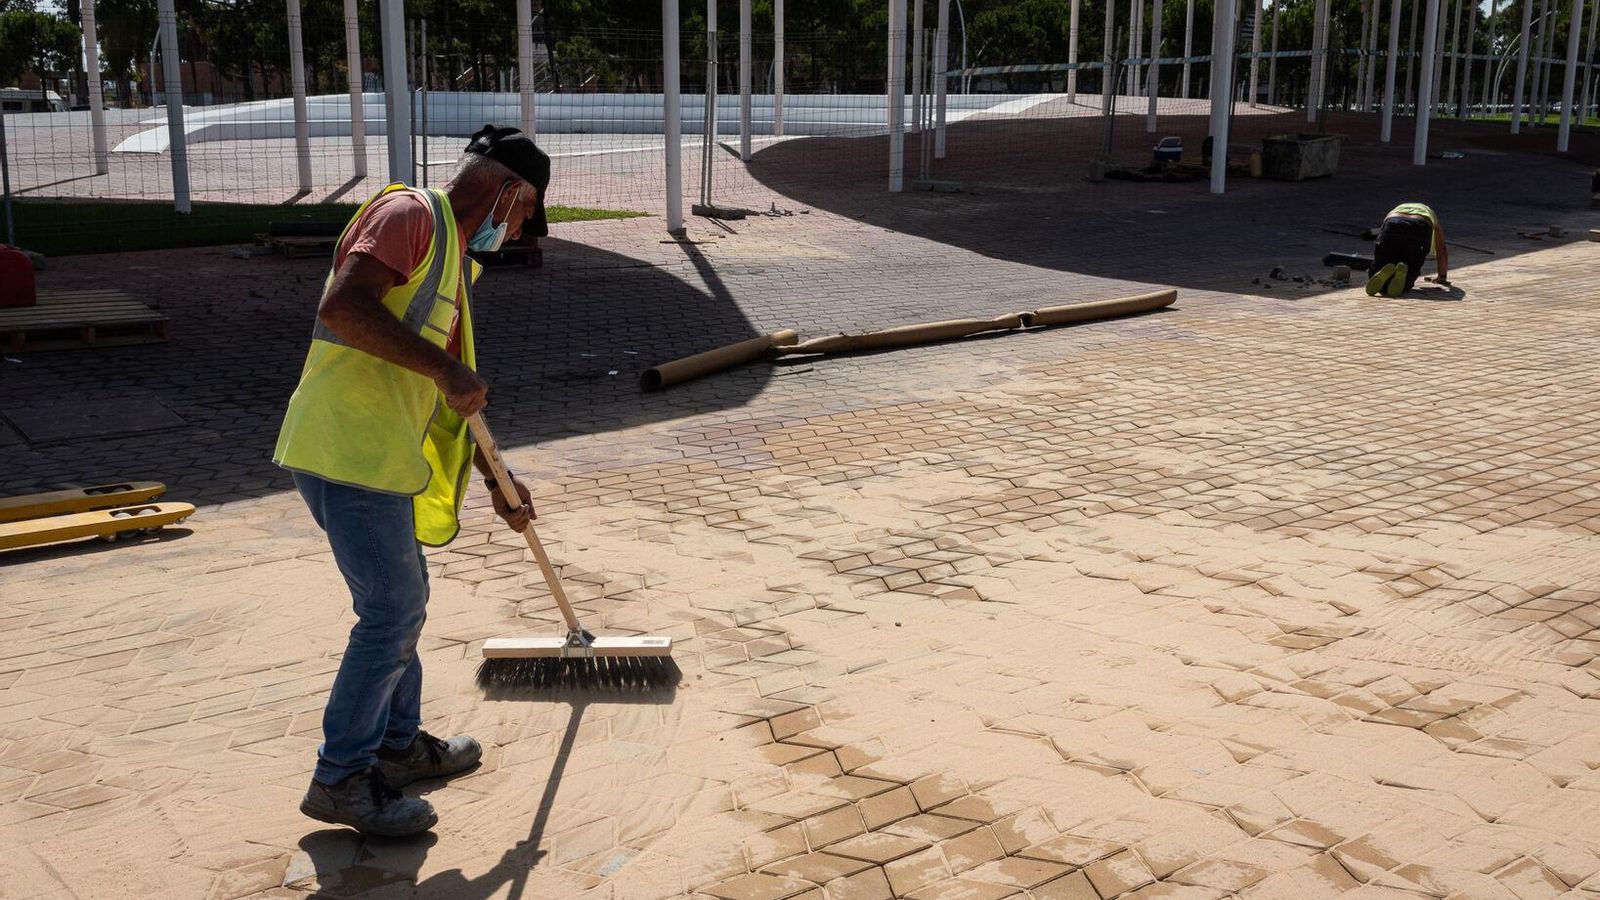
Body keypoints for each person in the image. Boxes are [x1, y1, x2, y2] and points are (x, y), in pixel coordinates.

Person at [273, 125, 550, 837]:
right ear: (507, 189)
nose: (517, 231)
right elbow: (342, 307)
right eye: (523, 214)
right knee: (392, 612)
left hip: (378, 454)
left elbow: (453, 397)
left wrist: (498, 478)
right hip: (346, 449)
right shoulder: (411, 217)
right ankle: (342, 777)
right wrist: (444, 368)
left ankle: (397, 747)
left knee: (404, 602)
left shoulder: (456, 259)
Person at [1366, 201, 1450, 297]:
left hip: (1393, 223)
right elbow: (1442, 249)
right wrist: (1442, 277)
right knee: (1410, 272)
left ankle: (1381, 274)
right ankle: (1404, 278)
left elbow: (1383, 233)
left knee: (1378, 267)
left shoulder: (1397, 208)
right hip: (1419, 226)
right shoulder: (1429, 213)